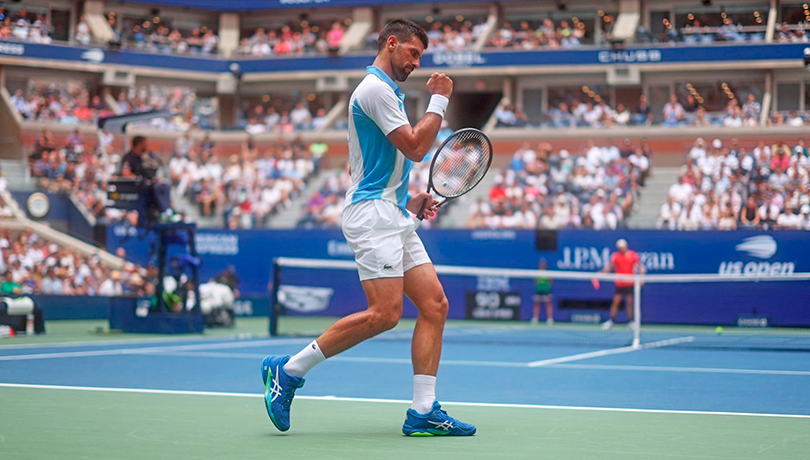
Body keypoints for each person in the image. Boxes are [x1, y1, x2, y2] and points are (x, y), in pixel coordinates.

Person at [260, 19, 475, 437]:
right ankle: (289, 371)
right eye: (412, 53)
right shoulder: (374, 89)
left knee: (434, 305)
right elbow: (416, 147)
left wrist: (406, 201)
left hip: (389, 211)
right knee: (384, 314)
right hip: (372, 217)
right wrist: (439, 100)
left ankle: (423, 410)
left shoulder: (387, 92)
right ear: (391, 44)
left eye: (420, 57)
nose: (416, 63)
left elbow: (371, 167)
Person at [599, 239, 644, 330]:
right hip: (620, 283)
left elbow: (640, 267)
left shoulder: (633, 255)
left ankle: (630, 321)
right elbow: (610, 268)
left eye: (623, 247)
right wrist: (600, 274)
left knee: (630, 302)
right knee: (616, 302)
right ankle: (611, 320)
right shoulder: (616, 256)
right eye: (620, 247)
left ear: (626, 246)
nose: (622, 249)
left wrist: (642, 278)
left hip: (630, 282)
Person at [531, 259, 554, 325]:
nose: (542, 266)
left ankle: (550, 318)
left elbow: (551, 281)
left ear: (545, 266)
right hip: (539, 290)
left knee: (548, 303)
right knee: (537, 304)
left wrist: (547, 286)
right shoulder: (537, 273)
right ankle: (535, 318)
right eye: (541, 265)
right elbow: (535, 281)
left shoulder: (548, 273)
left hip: (546, 290)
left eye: (543, 265)